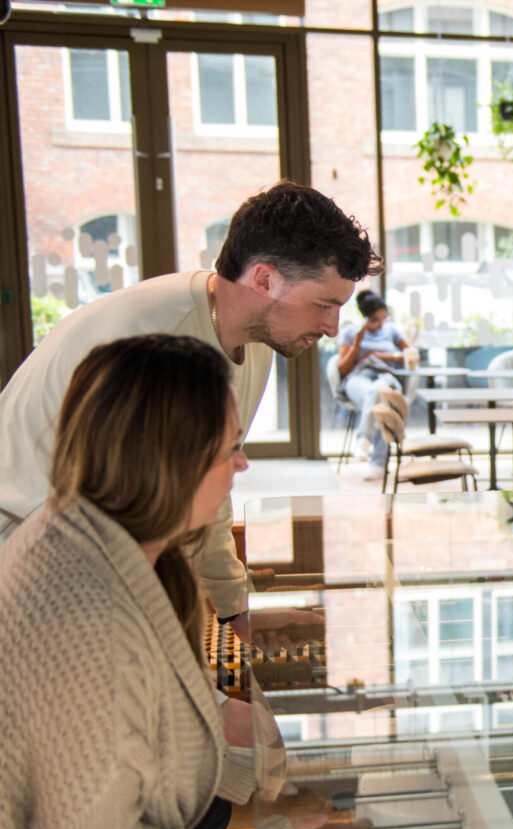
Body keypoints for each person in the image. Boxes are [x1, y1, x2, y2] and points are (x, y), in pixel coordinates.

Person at [0, 336, 340, 829]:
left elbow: (177, 721)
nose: (241, 467)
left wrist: (290, 757)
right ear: (171, 462)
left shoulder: (110, 551)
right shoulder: (78, 604)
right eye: (230, 449)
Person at [0, 180, 381, 650]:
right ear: (264, 280)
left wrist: (234, 612)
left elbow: (207, 487)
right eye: (324, 305)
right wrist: (213, 648)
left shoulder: (248, 332)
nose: (331, 327)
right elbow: (136, 519)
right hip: (36, 568)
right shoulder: (158, 340)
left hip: (97, 558)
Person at [336, 289, 416, 481]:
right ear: (365, 317)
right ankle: (378, 463)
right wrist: (357, 343)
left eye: (383, 318)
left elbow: (411, 354)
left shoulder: (391, 330)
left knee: (381, 392)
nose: (379, 324)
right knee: (379, 397)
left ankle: (364, 439)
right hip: (358, 379)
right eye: (374, 319)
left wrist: (380, 356)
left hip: (386, 377)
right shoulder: (351, 332)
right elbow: (342, 369)